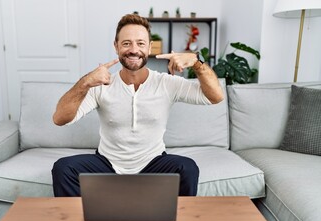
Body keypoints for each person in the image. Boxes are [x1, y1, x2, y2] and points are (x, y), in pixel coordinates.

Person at [51, 14, 224, 197]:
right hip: (107, 164)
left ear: (149, 47)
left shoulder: (166, 83)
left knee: (187, 168)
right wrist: (86, 82)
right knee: (63, 168)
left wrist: (197, 63)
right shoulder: (101, 85)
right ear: (116, 46)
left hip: (153, 164)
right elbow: (59, 118)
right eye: (126, 43)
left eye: (140, 43)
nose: (134, 50)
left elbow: (216, 97)